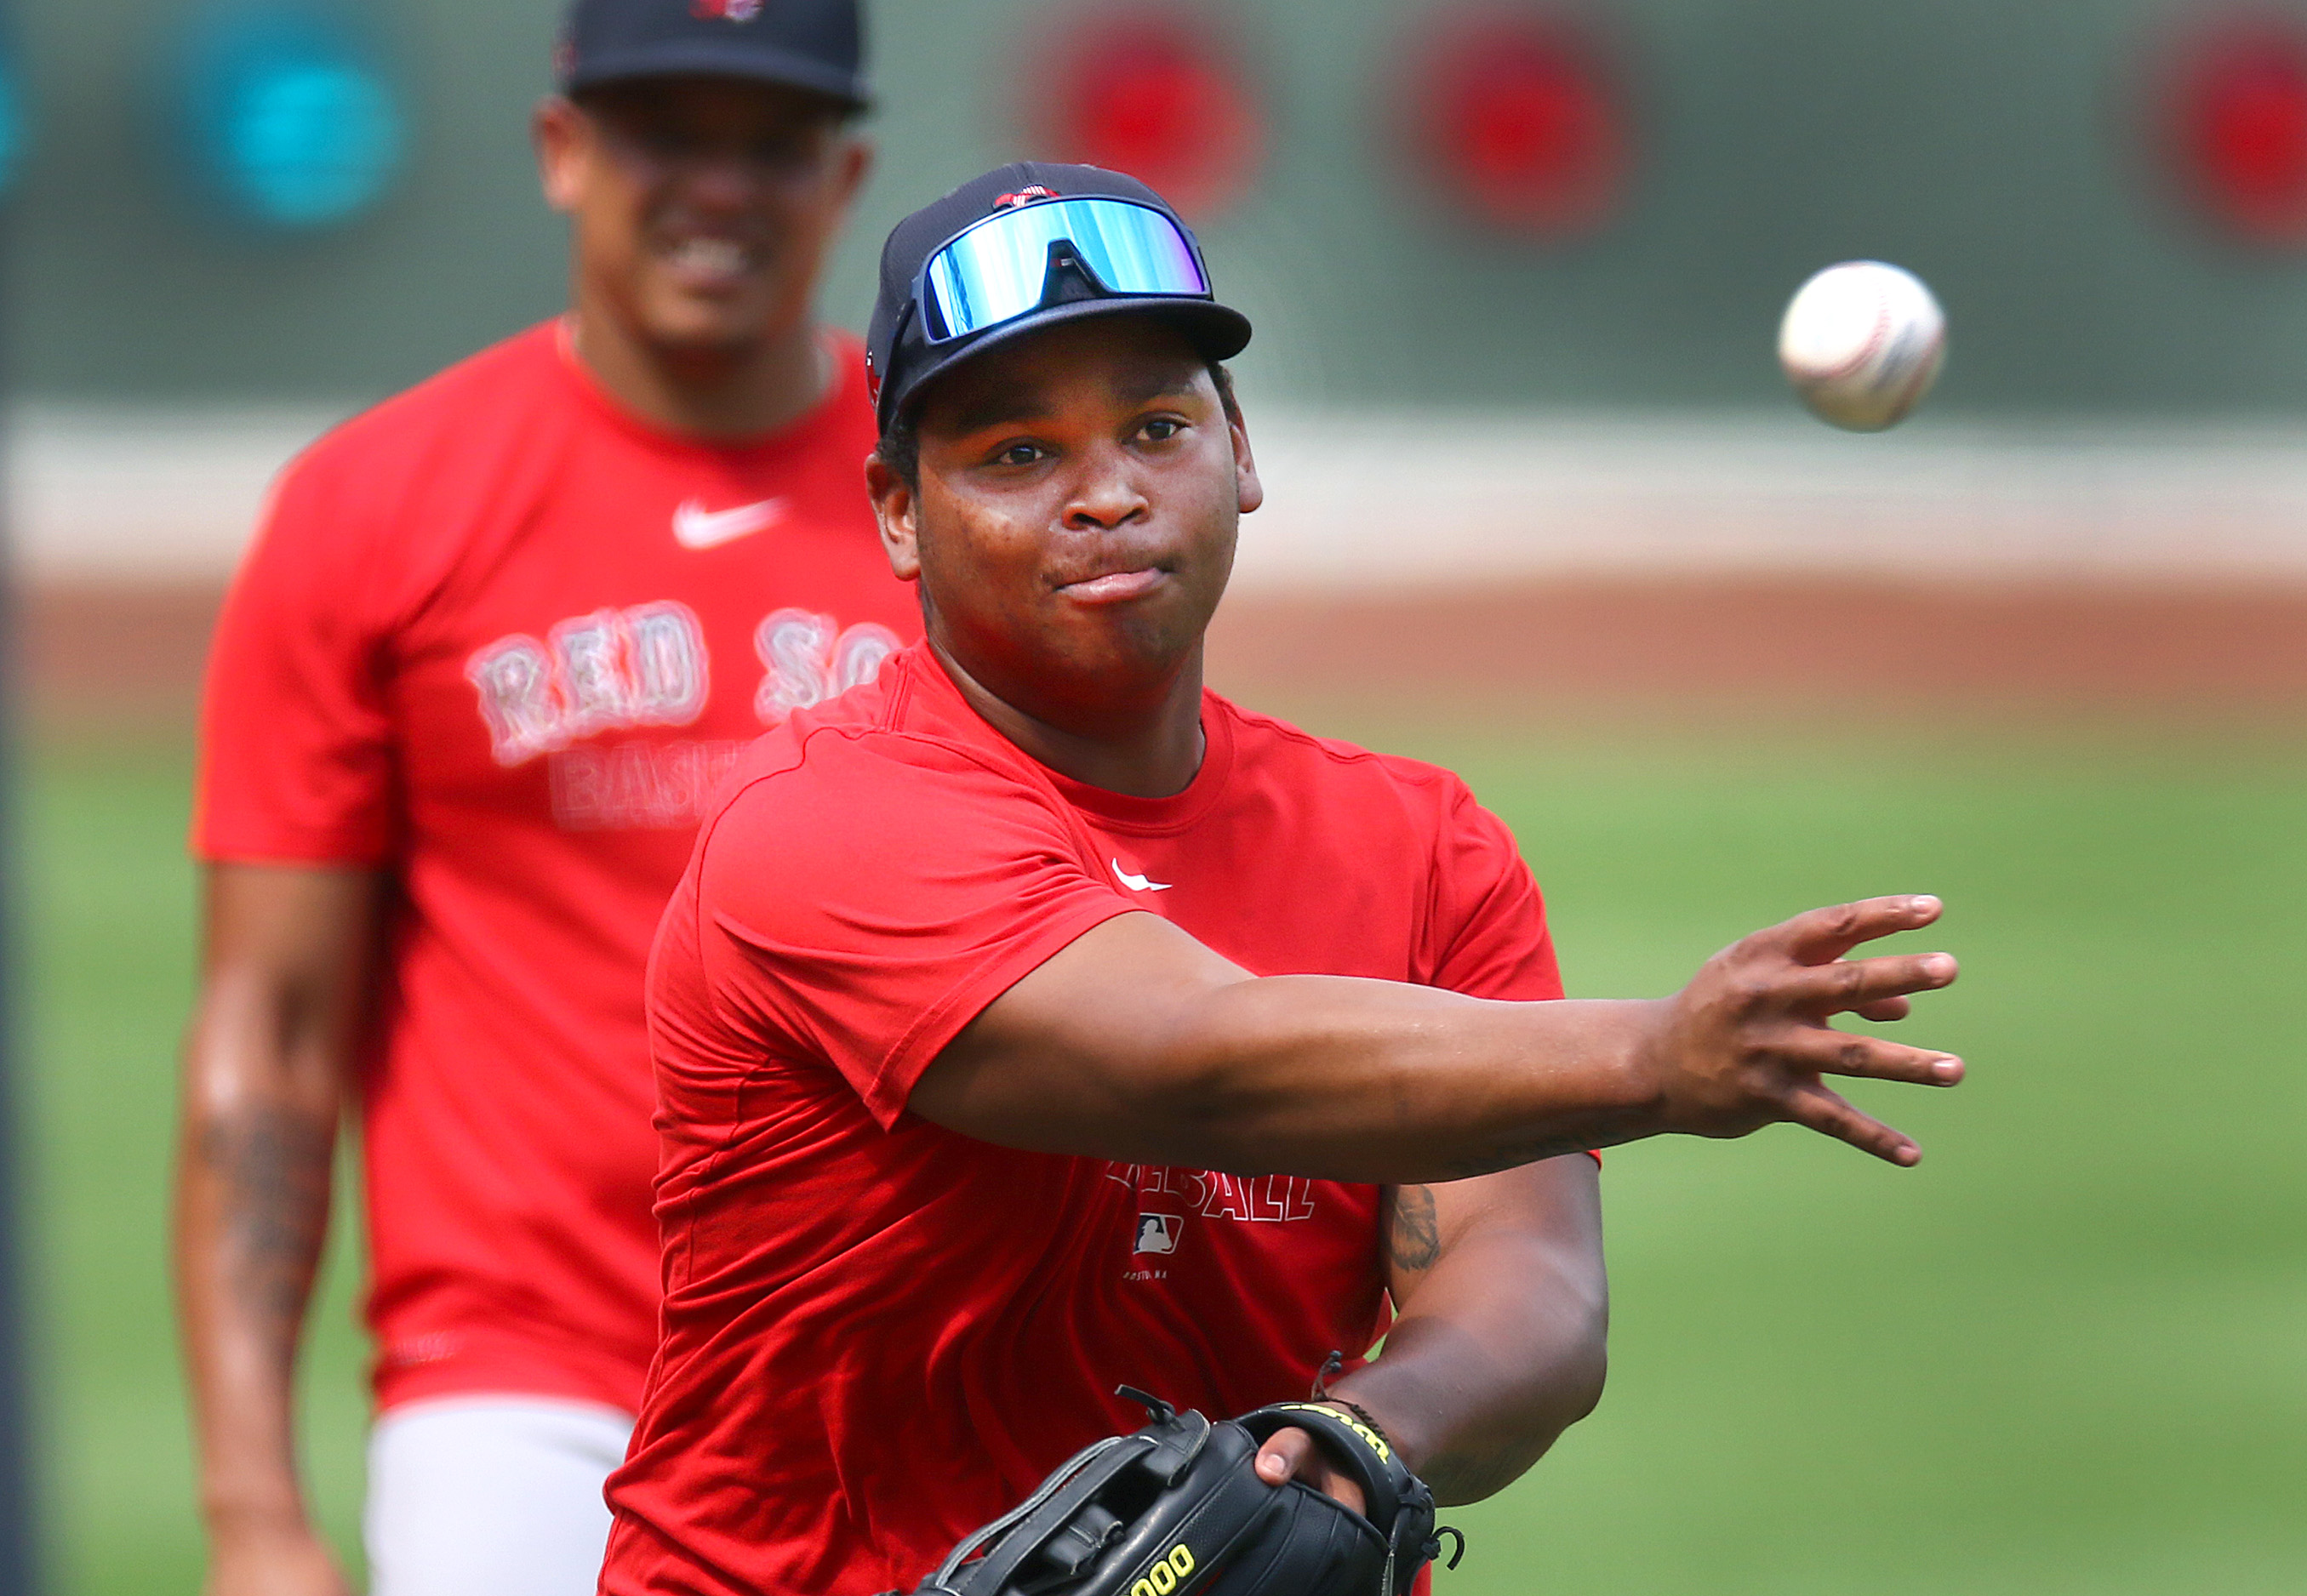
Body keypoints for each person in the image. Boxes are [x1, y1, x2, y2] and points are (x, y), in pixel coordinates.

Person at [597, 164, 1965, 1596]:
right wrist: (1653, 1054)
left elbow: (1532, 1287)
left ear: (1239, 450)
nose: (1108, 493)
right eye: (1017, 454)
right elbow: (1190, 1061)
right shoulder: (821, 823)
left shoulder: (1420, 847)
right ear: (894, 513)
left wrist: (1354, 1437)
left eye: (1156, 426)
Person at [172, 3, 917, 1592]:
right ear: (562, 151)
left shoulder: (959, 500)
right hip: (524, 1388)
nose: (719, 185)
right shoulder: (374, 508)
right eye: (668, 132)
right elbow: (271, 1031)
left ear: (845, 173)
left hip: (914, 1370)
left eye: (770, 141)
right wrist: (252, 1514)